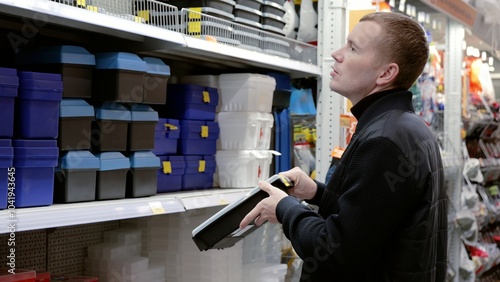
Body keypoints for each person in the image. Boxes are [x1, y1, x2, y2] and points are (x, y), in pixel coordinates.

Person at [240, 11, 447, 282]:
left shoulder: (384, 140)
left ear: (386, 73)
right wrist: (316, 193)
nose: (337, 54)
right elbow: (370, 220)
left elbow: (337, 252)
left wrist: (285, 208)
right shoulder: (407, 128)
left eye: (352, 48)